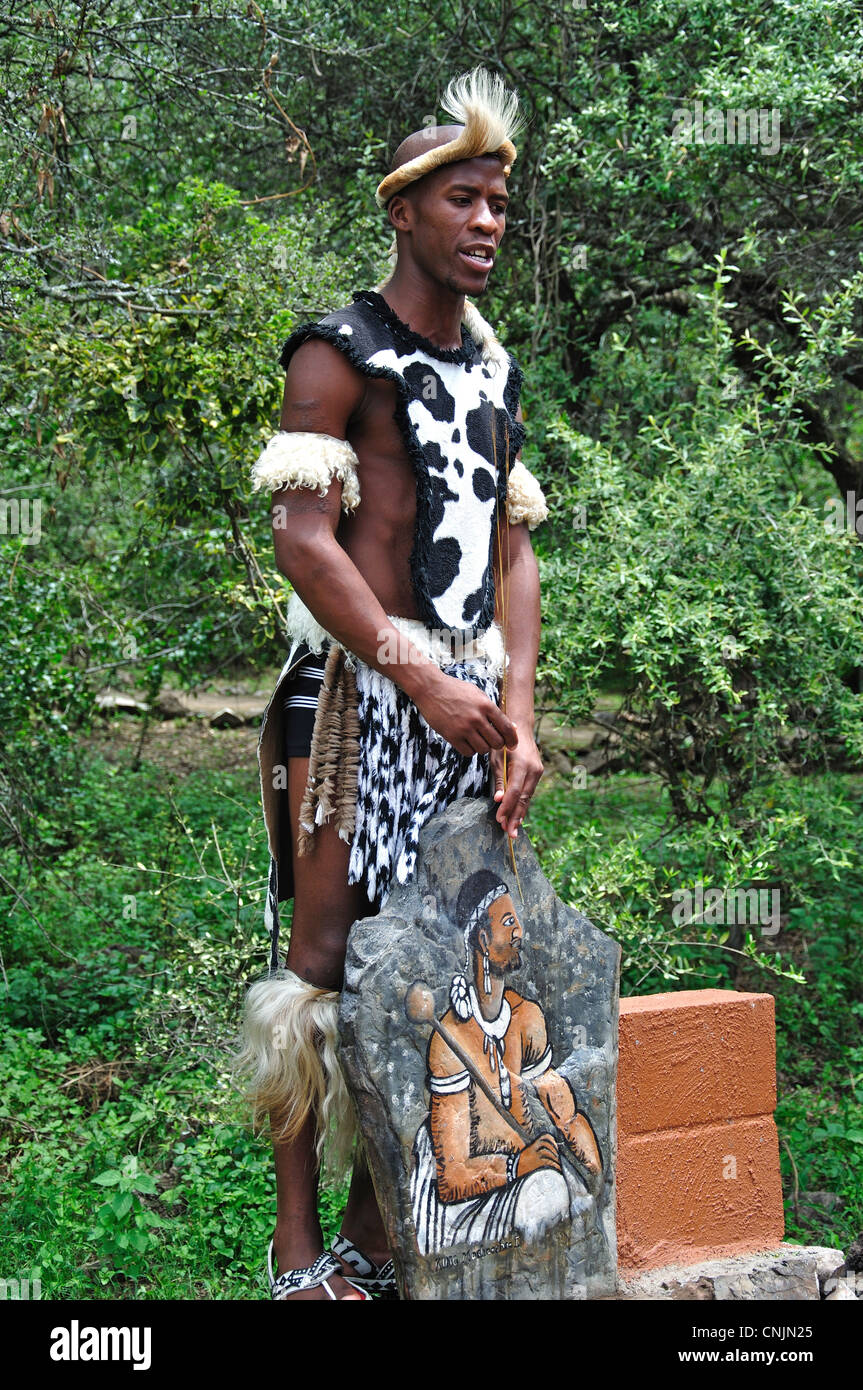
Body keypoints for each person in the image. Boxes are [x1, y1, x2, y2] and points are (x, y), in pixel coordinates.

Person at [233, 67, 549, 1301]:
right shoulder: (339, 353)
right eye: (462, 201)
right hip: (359, 706)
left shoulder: (492, 371)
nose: (485, 223)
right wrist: (417, 677)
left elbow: (513, 554)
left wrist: (516, 713)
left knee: (436, 967)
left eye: (498, 204)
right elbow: (302, 540)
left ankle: (378, 1230)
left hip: (465, 714)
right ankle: (297, 1249)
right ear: (403, 211)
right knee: (322, 965)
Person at [410, 869, 601, 1255]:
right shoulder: (450, 1039)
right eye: (509, 922)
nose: (519, 932)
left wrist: (594, 1174)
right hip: (468, 1203)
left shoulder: (526, 1018)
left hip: (527, 1176)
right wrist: (515, 1168)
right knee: (549, 1192)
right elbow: (452, 1178)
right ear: (483, 939)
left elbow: (561, 1114)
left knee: (574, 1196)